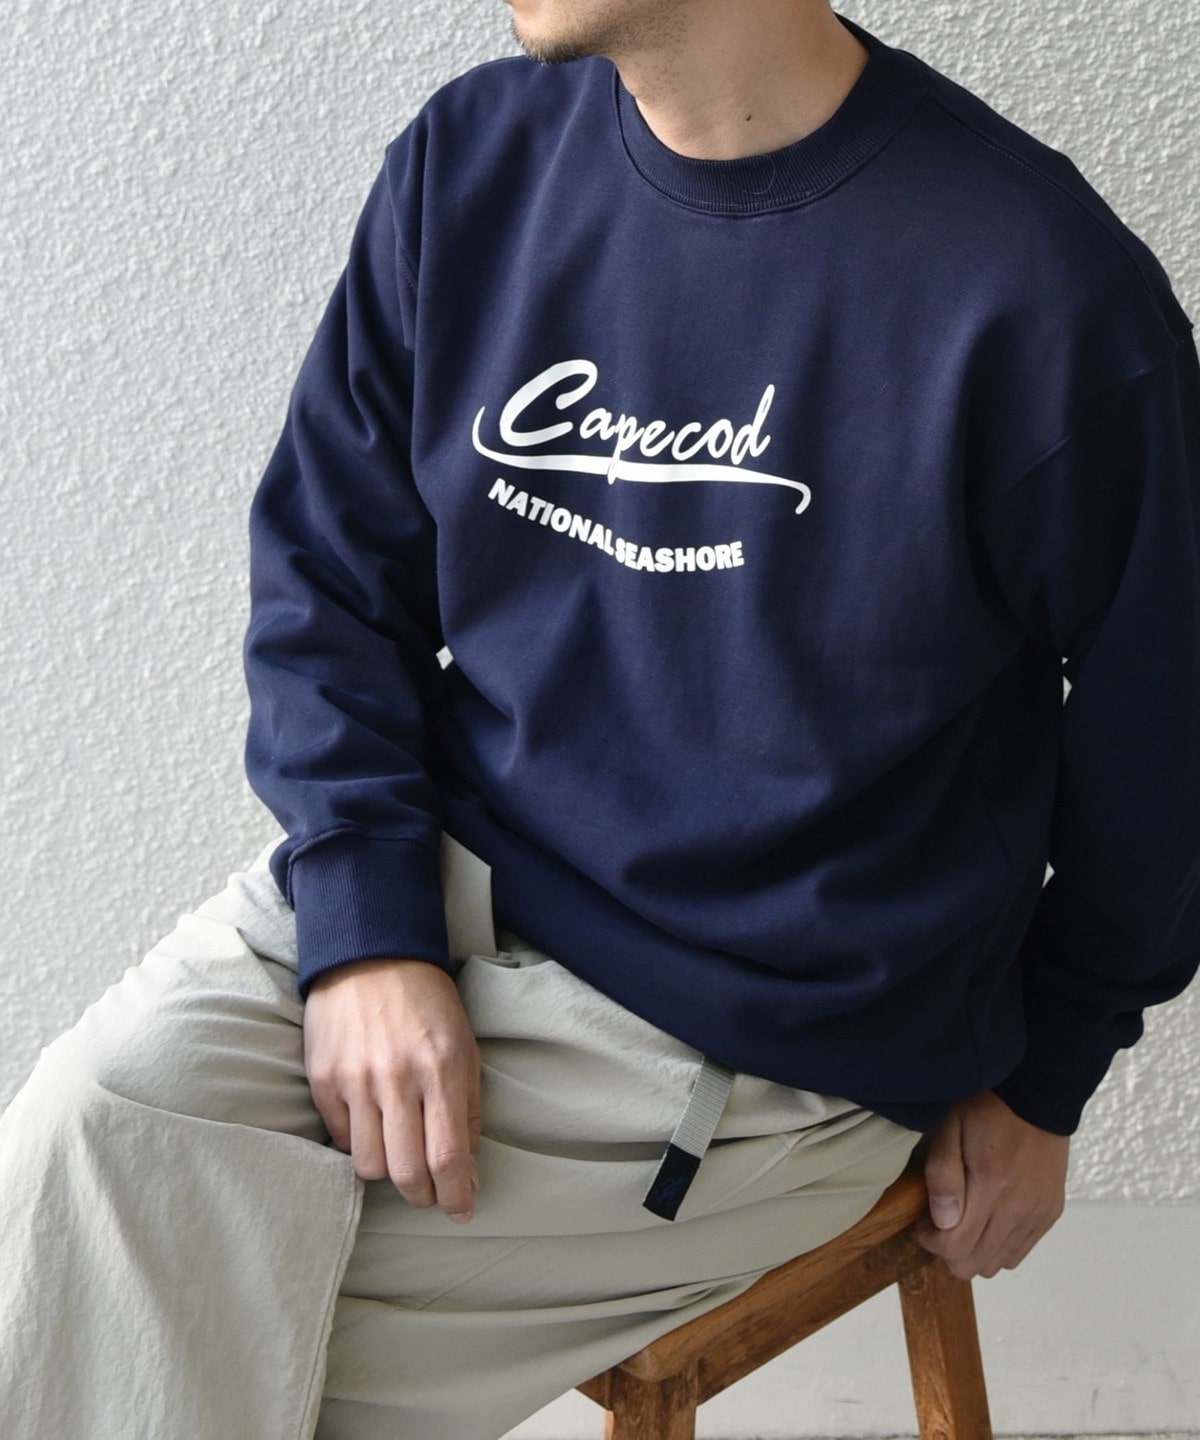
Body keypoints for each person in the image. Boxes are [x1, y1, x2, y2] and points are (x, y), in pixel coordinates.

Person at [2, 1, 1198, 1436]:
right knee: (74, 1156)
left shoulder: (1041, 295)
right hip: (437, 887)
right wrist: (370, 929)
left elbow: (1165, 754)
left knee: (184, 1338)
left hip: (761, 1033)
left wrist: (1049, 1078)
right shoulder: (472, 162)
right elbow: (329, 575)